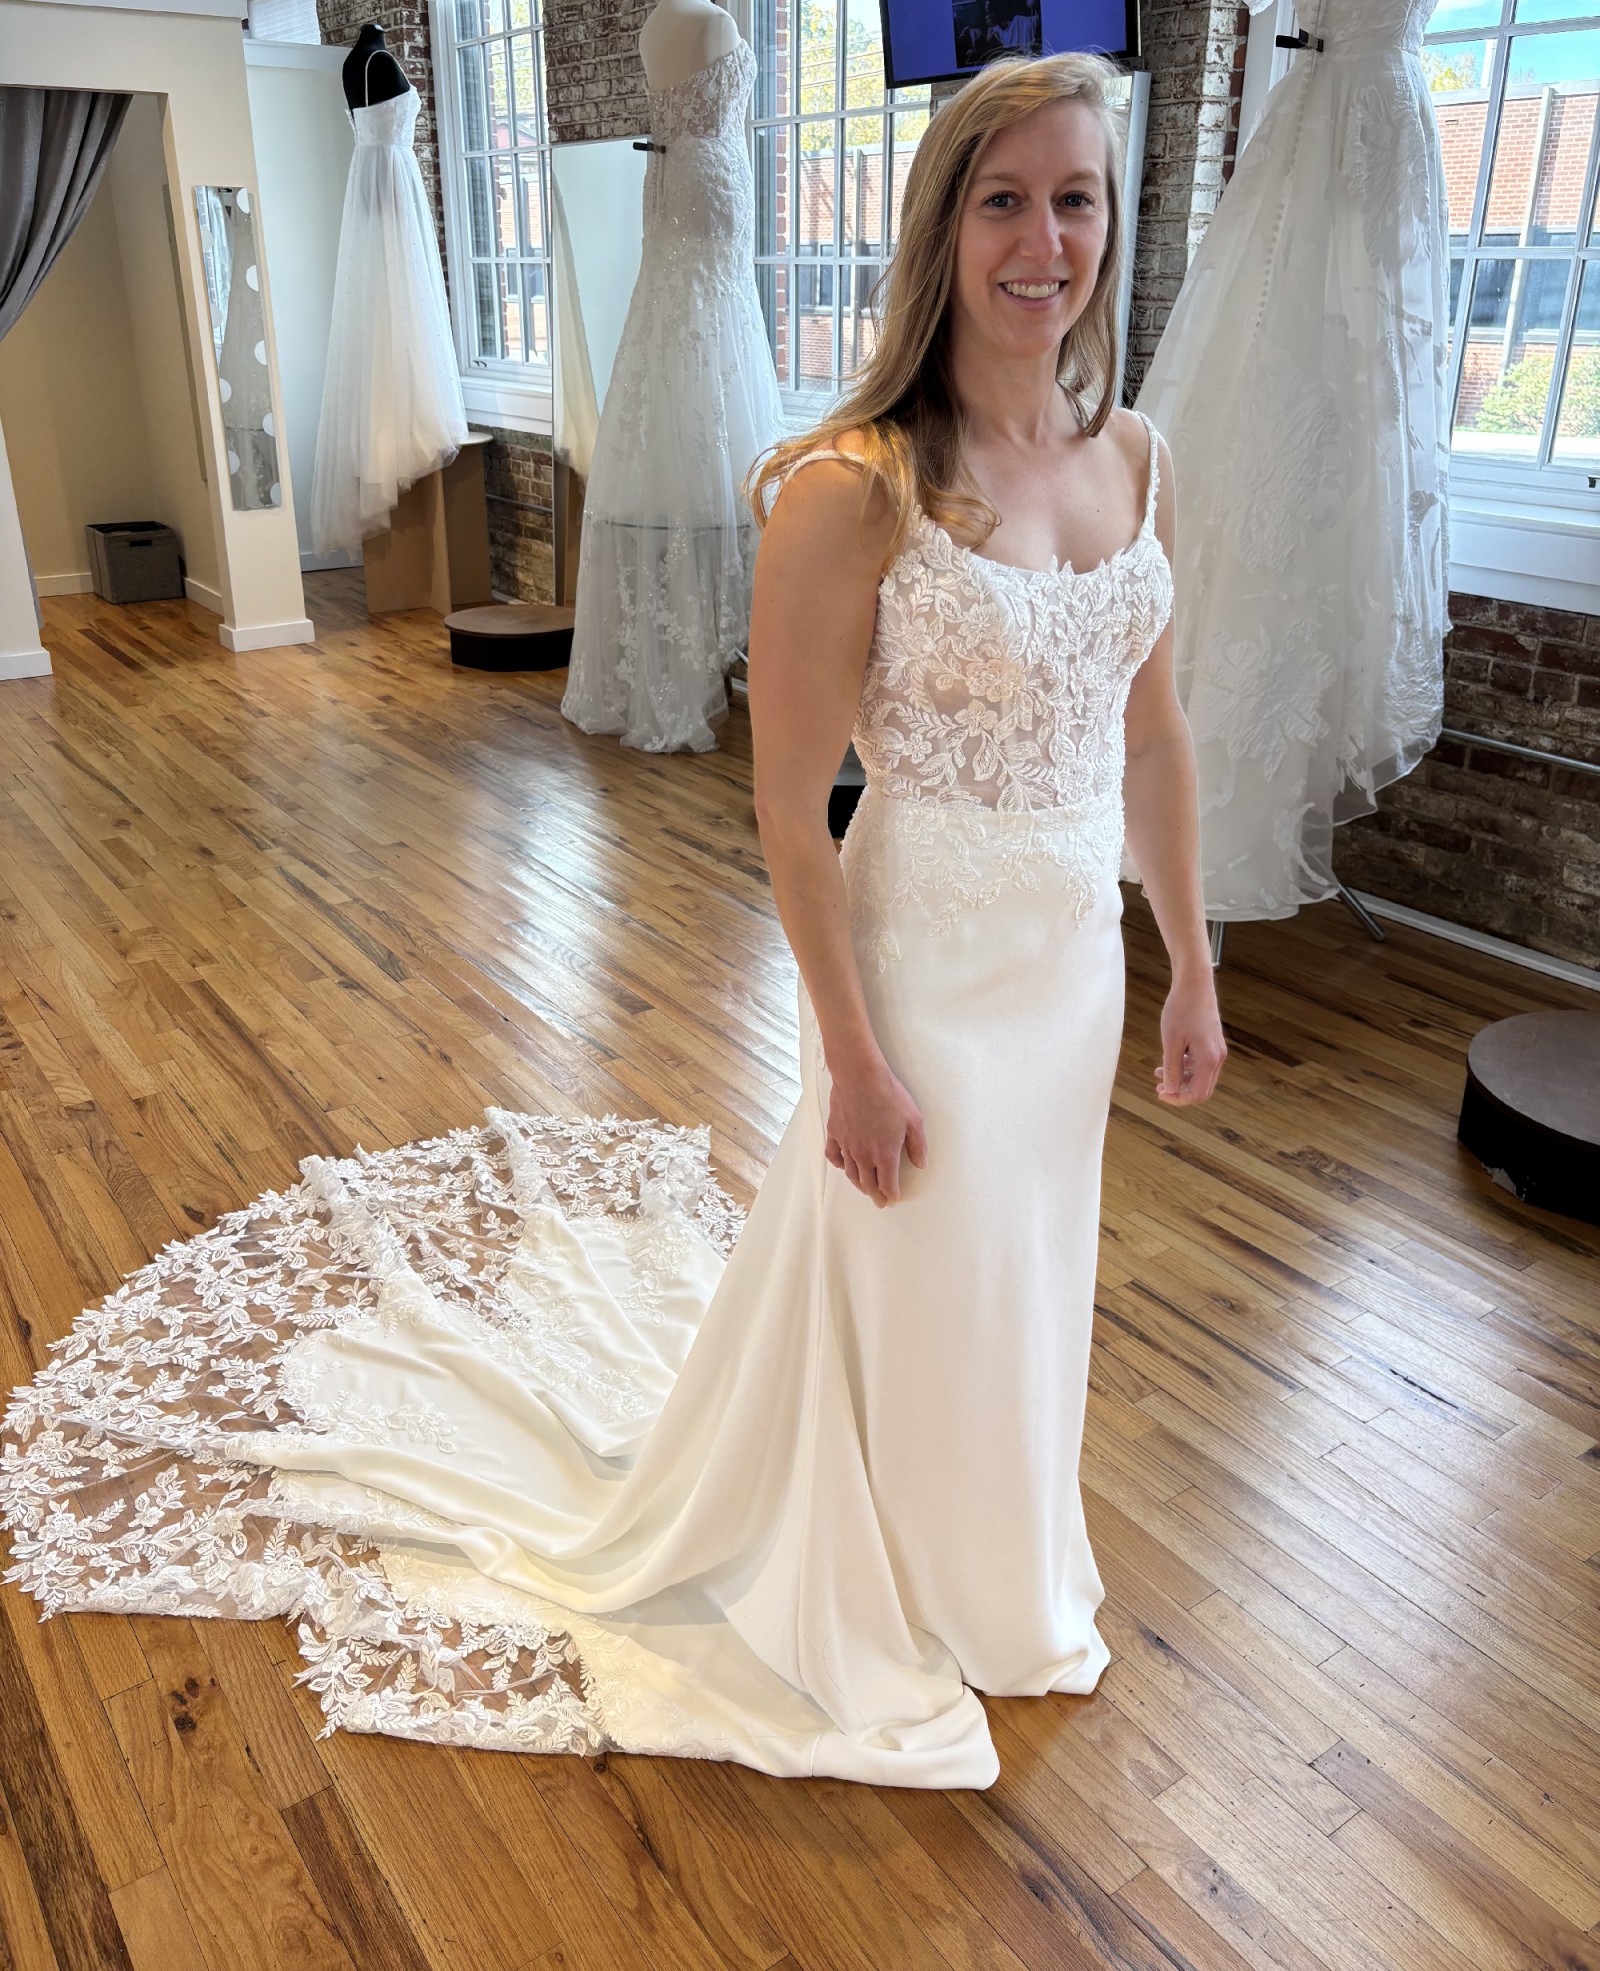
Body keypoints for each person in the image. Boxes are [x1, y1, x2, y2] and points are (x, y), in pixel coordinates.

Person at [0, 51, 1223, 1790]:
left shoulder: (1140, 461)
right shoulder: (855, 488)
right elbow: (789, 809)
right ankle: (887, 1585)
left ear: (1114, 216)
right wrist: (851, 1059)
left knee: (1024, 1280)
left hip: (1073, 978)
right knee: (923, 1275)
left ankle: (995, 1570)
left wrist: (1192, 966)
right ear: (941, 231)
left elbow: (1154, 740)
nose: (1045, 241)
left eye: (1076, 199)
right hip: (928, 977)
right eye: (1003, 201)